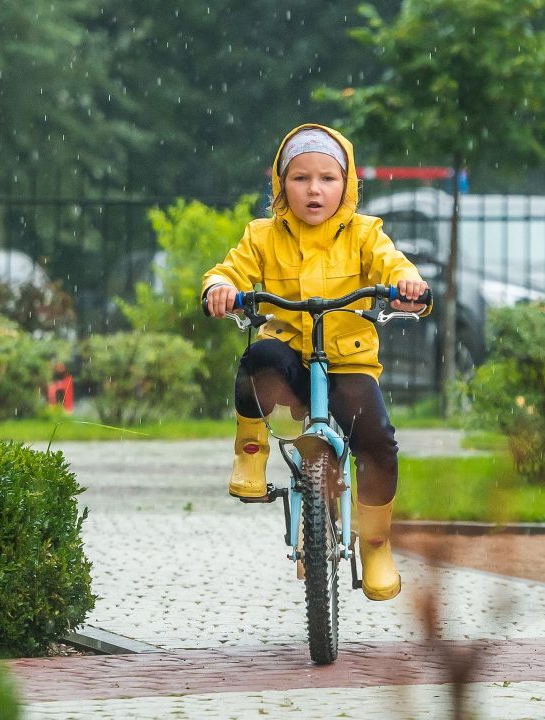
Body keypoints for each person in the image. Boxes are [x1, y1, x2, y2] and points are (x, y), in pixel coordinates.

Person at [201, 124, 429, 601]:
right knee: (256, 358)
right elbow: (230, 270)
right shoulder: (262, 235)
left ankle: (377, 546)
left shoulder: (366, 233)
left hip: (347, 365)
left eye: (328, 177)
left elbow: (393, 265)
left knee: (378, 444)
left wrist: (408, 286)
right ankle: (250, 456)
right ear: (281, 184)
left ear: (347, 185)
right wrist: (219, 289)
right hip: (289, 359)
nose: (314, 189)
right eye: (300, 177)